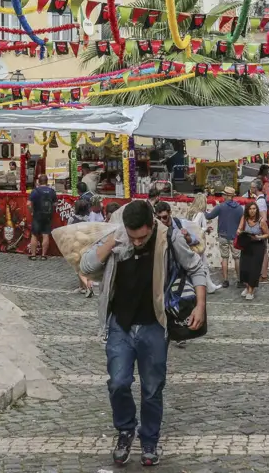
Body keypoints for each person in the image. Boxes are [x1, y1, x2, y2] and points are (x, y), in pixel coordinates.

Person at [79, 200, 207, 467]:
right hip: (120, 325)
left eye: (142, 237)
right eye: (132, 236)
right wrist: (112, 243)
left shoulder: (169, 237)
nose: (136, 242)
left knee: (152, 389)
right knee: (118, 382)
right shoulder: (117, 236)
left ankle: (149, 439)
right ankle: (125, 431)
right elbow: (87, 266)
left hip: (154, 326)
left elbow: (196, 267)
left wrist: (201, 307)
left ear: (152, 226)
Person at [205, 187, 244, 288]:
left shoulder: (221, 207)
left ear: (227, 196)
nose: (222, 196)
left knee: (224, 258)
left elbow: (208, 216)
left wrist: (202, 209)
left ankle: (226, 280)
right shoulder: (240, 208)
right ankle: (240, 280)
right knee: (237, 258)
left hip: (223, 235)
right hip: (235, 236)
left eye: (224, 194)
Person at [187, 193, 221, 294]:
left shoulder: (190, 212)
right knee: (201, 266)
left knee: (203, 265)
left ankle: (210, 286)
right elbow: (195, 227)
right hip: (198, 243)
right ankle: (206, 287)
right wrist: (205, 229)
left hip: (191, 242)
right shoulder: (200, 214)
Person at [236, 201, 269, 300]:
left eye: (254, 209)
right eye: (250, 209)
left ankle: (251, 290)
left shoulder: (261, 221)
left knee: (254, 269)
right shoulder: (244, 218)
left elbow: (267, 234)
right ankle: (247, 287)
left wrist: (259, 237)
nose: (252, 211)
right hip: (247, 245)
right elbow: (239, 228)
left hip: (258, 246)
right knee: (245, 268)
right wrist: (239, 231)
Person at [28, 174, 57, 260]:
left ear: (38, 182)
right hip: (48, 216)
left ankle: (33, 255)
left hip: (37, 215)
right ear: (47, 181)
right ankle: (43, 255)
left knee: (34, 235)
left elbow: (28, 204)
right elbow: (55, 204)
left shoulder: (35, 191)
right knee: (46, 234)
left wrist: (32, 212)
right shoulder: (52, 191)